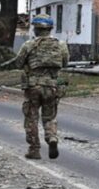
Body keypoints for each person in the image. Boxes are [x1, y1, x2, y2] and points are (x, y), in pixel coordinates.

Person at [13, 14, 70, 160]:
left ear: (35, 29)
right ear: (50, 29)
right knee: (49, 116)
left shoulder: (28, 45)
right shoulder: (61, 45)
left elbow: (18, 63)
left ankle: (34, 150)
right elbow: (65, 63)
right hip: (52, 86)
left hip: (33, 86)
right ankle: (51, 137)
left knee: (32, 118)